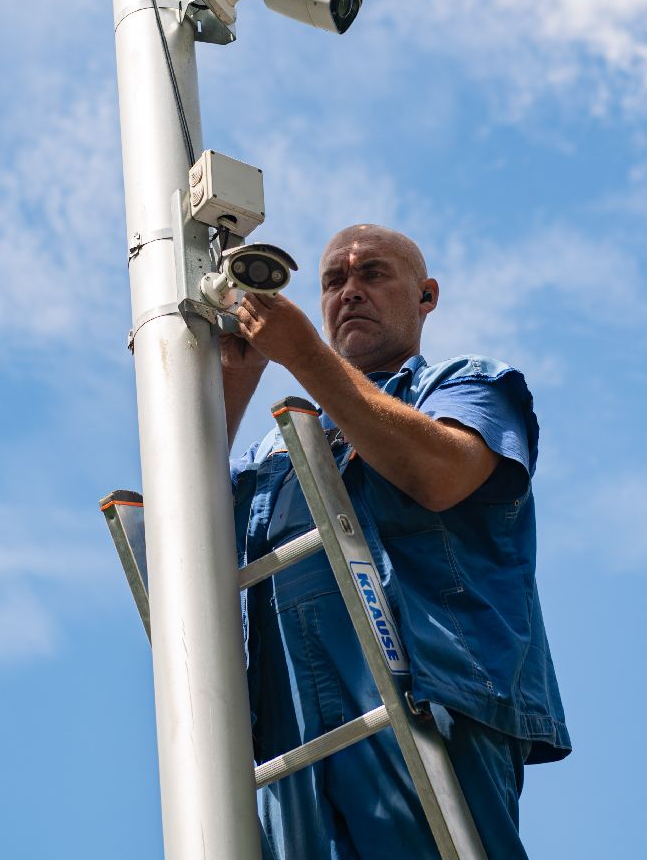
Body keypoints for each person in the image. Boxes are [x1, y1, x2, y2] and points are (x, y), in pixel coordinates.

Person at [223, 224, 570, 859]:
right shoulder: (275, 450)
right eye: (333, 281)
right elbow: (186, 547)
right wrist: (233, 377)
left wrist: (302, 355)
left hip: (428, 705)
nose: (349, 291)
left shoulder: (465, 387)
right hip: (290, 734)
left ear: (426, 295)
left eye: (372, 273)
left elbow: (439, 474)